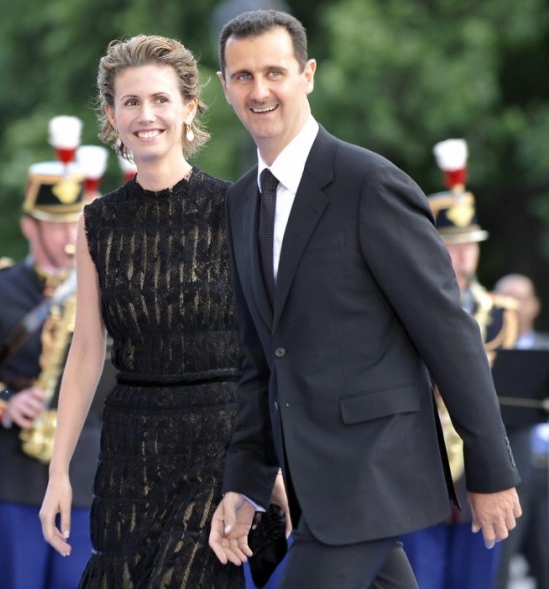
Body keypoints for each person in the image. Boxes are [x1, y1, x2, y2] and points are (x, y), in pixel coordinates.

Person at [209, 10, 521, 588]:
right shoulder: (240, 202)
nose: (260, 90)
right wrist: (245, 482)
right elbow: (259, 362)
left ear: (308, 75)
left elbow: (448, 332)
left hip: (373, 471)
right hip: (314, 484)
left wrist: (491, 468)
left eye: (274, 72)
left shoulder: (369, 184)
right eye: (243, 76)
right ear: (225, 87)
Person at [38, 34, 261, 588]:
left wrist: (267, 466)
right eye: (130, 102)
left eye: (160, 100)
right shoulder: (97, 221)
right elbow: (87, 351)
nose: (146, 115)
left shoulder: (237, 207)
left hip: (218, 442)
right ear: (111, 117)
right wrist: (59, 470)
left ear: (189, 109)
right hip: (130, 446)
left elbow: (269, 343)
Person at [0, 157, 98, 589]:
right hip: (12, 474)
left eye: (75, 222)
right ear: (30, 226)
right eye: (55, 224)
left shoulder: (100, 288)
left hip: (85, 472)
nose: (70, 235)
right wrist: (7, 404)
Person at [399, 139, 520, 589]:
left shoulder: (501, 315)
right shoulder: (406, 310)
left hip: (482, 469)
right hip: (421, 470)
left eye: (471, 246)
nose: (463, 256)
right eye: (453, 246)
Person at [493, 273, 549, 589]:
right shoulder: (484, 353)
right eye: (505, 298)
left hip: (547, 470)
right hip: (511, 474)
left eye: (521, 299)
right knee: (498, 568)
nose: (513, 306)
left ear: (535, 305)